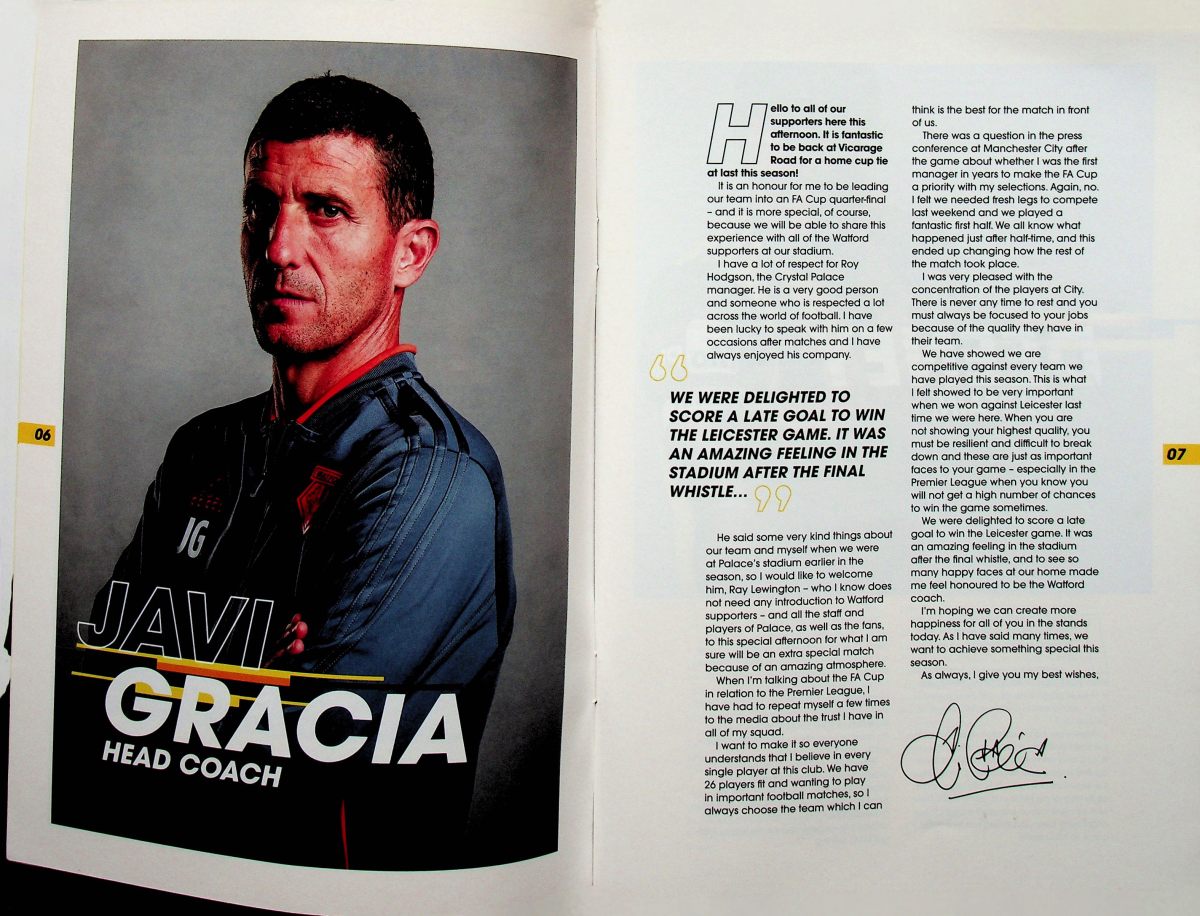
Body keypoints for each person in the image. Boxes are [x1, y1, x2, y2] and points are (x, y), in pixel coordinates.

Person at [68, 75, 517, 869]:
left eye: (327, 210)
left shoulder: (429, 474)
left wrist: (181, 669)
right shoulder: (205, 446)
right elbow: (93, 694)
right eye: (260, 207)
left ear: (410, 252)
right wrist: (249, 665)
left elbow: (290, 753)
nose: (278, 249)